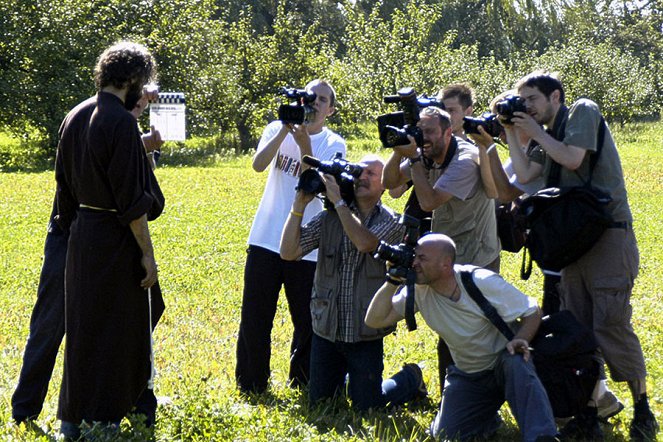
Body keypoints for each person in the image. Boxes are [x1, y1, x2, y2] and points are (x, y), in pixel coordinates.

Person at [506, 70, 658, 441]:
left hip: (607, 235)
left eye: (532, 101)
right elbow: (526, 173)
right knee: (579, 329)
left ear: (555, 96)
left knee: (611, 323)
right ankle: (589, 409)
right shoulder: (546, 134)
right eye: (521, 101)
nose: (526, 107)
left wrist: (535, 132)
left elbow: (573, 159)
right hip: (573, 241)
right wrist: (511, 131)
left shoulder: (582, 112)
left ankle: (643, 409)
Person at [11, 86, 161, 428]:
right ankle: (27, 410)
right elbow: (105, 169)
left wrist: (142, 145)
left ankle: (125, 404)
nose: (142, 103)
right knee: (56, 322)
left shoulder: (90, 115)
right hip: (77, 235)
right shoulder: (103, 119)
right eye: (139, 96)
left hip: (82, 235)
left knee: (103, 324)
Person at [54, 41, 165, 439]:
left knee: (84, 329)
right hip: (114, 240)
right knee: (119, 329)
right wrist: (147, 256)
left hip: (83, 236)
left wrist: (72, 234)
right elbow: (133, 205)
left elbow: (63, 186)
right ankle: (106, 417)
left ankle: (73, 418)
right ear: (133, 79)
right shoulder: (118, 121)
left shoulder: (76, 113)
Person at [365, 234, 558, 441]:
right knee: (445, 435)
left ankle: (542, 436)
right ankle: (486, 419)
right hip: (470, 374)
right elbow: (375, 320)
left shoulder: (480, 281)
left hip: (506, 363)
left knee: (516, 361)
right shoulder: (420, 291)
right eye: (415, 257)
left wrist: (521, 338)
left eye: (422, 258)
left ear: (445, 265)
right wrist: (392, 280)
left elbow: (532, 310)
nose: (414, 263)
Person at [280, 155, 426, 411]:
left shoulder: (391, 222)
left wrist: (337, 201)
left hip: (364, 332)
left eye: (371, 173)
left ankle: (410, 378)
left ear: (384, 185)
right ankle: (350, 379)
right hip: (327, 329)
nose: (362, 177)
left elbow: (365, 243)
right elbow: (289, 252)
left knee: (368, 408)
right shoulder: (330, 218)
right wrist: (299, 205)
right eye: (359, 172)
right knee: (321, 404)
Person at [235, 79, 346, 394]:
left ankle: (303, 381)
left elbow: (321, 183)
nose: (316, 104)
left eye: (323, 100)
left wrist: (304, 145)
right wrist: (286, 130)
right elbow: (258, 165)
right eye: (312, 97)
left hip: (306, 244)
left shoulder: (334, 142)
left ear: (331, 110)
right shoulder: (276, 128)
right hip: (266, 237)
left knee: (307, 321)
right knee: (255, 315)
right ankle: (251, 383)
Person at [382, 106, 500, 396]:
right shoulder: (426, 152)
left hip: (477, 252)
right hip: (447, 253)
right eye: (420, 131)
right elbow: (389, 183)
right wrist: (399, 150)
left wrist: (414, 160)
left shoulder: (465, 158)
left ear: (449, 132)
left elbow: (429, 201)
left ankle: (483, 393)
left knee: (474, 328)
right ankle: (453, 395)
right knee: (449, 329)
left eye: (431, 131)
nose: (425, 137)